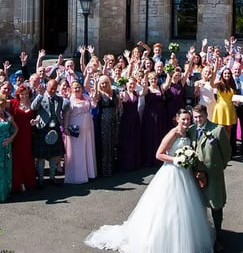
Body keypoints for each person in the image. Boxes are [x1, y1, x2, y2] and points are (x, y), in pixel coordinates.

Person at [85, 109, 214, 253]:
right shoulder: (173, 133)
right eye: (183, 119)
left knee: (186, 207)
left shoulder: (188, 132)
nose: (186, 122)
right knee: (168, 206)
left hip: (185, 173)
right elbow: (159, 154)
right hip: (172, 172)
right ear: (177, 119)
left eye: (188, 119)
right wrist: (175, 159)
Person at [191, 104, 231, 252]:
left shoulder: (217, 130)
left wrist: (219, 167)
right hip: (195, 174)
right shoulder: (191, 130)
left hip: (213, 174)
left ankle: (219, 235)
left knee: (216, 204)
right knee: (197, 205)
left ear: (206, 115)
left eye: (200, 116)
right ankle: (201, 235)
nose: (198, 120)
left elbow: (226, 152)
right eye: (195, 117)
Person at [31, 78, 70, 186]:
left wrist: (66, 96)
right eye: (51, 88)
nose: (53, 90)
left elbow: (66, 107)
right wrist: (39, 95)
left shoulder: (59, 99)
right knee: (41, 156)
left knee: (54, 155)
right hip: (42, 129)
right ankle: (41, 179)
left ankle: (52, 177)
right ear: (46, 87)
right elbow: (33, 107)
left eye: (55, 88)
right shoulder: (40, 97)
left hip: (55, 128)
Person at [64, 81, 97, 184]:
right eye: (75, 88)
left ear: (82, 88)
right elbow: (66, 115)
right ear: (71, 89)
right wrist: (66, 128)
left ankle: (89, 173)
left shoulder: (86, 97)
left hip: (88, 127)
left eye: (79, 87)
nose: (77, 89)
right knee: (78, 151)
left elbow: (94, 106)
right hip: (76, 128)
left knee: (88, 148)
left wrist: (93, 97)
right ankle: (78, 175)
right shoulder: (70, 100)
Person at [8, 84, 37, 193]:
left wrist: (36, 121)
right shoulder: (13, 102)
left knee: (27, 157)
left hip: (28, 134)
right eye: (22, 94)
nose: (24, 96)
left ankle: (28, 182)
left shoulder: (32, 103)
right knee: (17, 158)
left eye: (26, 94)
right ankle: (17, 183)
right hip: (16, 134)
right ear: (18, 94)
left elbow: (39, 114)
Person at [92, 75, 119, 177]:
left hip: (114, 120)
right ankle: (105, 169)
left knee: (112, 143)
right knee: (105, 144)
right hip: (104, 121)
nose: (104, 85)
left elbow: (118, 105)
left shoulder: (114, 92)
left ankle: (112, 167)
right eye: (102, 83)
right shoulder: (100, 93)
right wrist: (95, 84)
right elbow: (95, 99)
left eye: (106, 83)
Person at [140, 71, 167, 167]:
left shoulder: (160, 88)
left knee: (159, 135)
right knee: (150, 136)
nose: (153, 81)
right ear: (149, 80)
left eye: (155, 79)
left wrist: (169, 73)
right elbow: (143, 93)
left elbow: (167, 84)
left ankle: (159, 158)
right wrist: (145, 75)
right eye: (151, 79)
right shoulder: (147, 89)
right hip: (150, 116)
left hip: (160, 115)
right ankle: (149, 159)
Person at [117, 76, 143, 172]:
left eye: (133, 84)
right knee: (127, 141)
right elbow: (120, 105)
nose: (132, 85)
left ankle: (135, 163)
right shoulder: (123, 93)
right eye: (130, 84)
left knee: (135, 140)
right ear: (126, 84)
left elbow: (144, 92)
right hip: (126, 119)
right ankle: (127, 164)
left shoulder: (136, 93)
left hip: (135, 118)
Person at [212, 67, 237, 140]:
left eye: (228, 73)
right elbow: (212, 84)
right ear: (222, 75)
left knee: (229, 129)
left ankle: (227, 144)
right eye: (225, 73)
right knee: (220, 129)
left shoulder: (233, 84)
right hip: (221, 109)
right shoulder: (219, 83)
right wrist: (215, 67)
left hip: (230, 109)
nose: (227, 75)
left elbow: (234, 97)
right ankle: (220, 144)